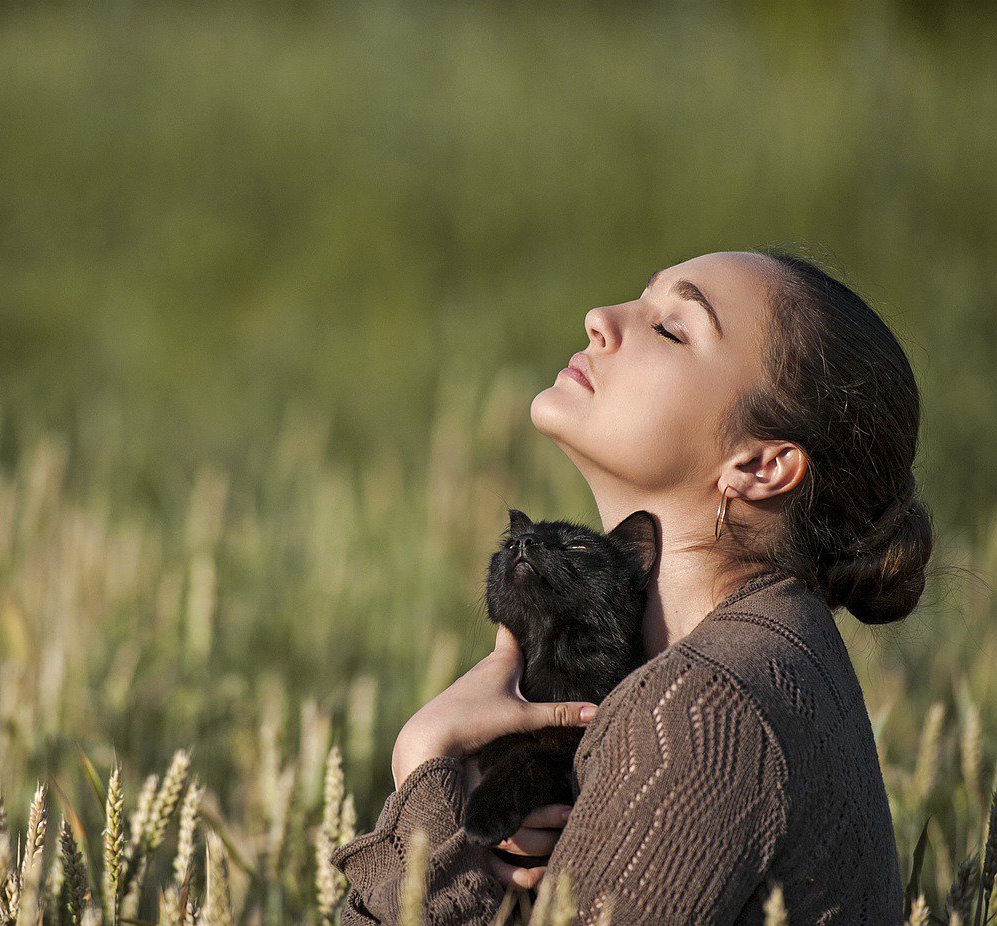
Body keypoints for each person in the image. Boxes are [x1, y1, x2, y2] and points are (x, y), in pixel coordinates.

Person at [331, 248, 933, 923]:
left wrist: (425, 766)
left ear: (762, 464)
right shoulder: (779, 649)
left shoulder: (700, 709)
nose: (599, 318)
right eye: (642, 298)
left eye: (673, 328)